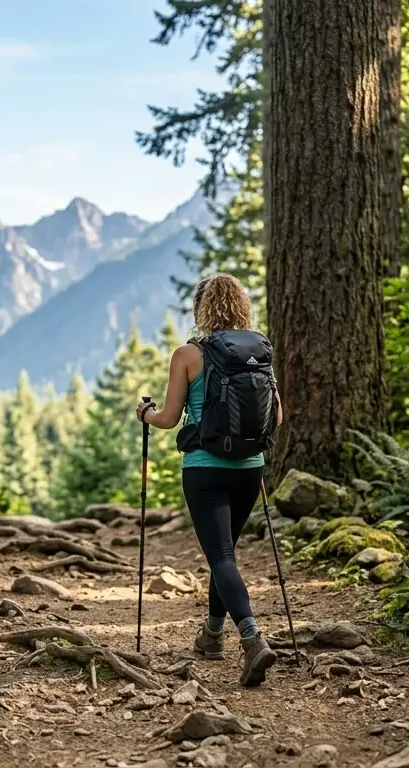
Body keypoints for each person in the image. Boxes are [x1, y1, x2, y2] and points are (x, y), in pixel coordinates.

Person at [135, 273, 283, 687]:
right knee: (227, 554)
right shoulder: (260, 349)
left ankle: (252, 639)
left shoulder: (187, 354)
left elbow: (167, 419)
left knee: (221, 557)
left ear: (201, 308)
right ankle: (212, 636)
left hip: (204, 467)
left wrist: (143, 413)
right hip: (250, 468)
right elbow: (278, 416)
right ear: (242, 305)